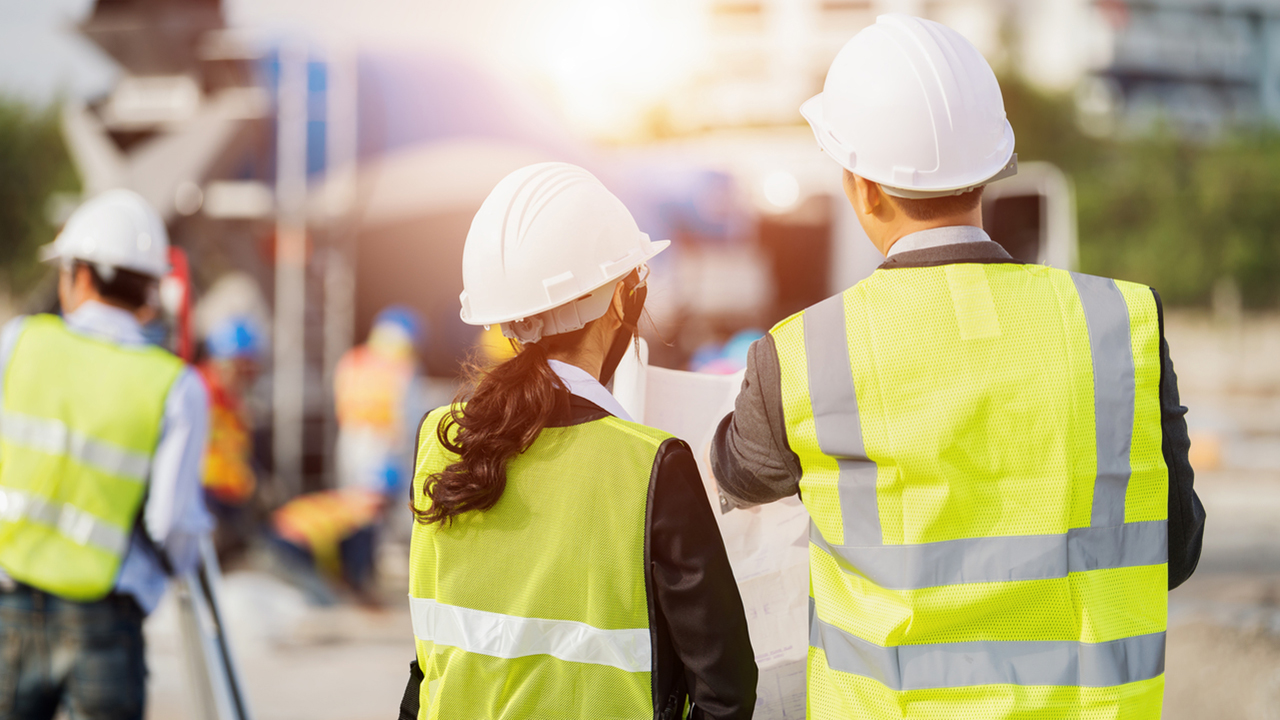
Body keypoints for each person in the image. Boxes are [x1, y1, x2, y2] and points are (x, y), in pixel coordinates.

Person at [711, 15, 1205, 720]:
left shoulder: (801, 355)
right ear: (992, 167)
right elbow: (1175, 550)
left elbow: (736, 473)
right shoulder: (1121, 325)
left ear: (863, 186)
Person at [400, 162, 757, 720]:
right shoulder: (652, 467)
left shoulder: (437, 441)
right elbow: (727, 688)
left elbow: (427, 666)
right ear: (622, 300)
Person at [0, 189, 211, 720]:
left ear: (81, 274)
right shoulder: (175, 386)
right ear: (149, 289)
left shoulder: (20, 342)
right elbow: (169, 524)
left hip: (7, 609)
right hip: (105, 624)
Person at [334, 305, 424, 498]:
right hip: (385, 445)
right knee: (382, 506)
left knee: (352, 503)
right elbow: (409, 415)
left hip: (350, 439)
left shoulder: (353, 358)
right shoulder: (403, 366)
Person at [198, 315, 264, 558]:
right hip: (207, 498)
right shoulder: (199, 392)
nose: (247, 376)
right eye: (243, 367)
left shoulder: (233, 401)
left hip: (230, 500)